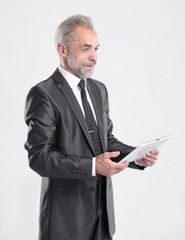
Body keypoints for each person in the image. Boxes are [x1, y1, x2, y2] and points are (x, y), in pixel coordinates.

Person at [24, 14, 159, 240]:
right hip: (65, 220)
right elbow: (39, 158)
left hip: (102, 216)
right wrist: (92, 166)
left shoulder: (99, 90)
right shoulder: (44, 94)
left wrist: (136, 156)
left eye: (96, 49)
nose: (94, 57)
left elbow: (106, 141)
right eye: (86, 49)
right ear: (63, 50)